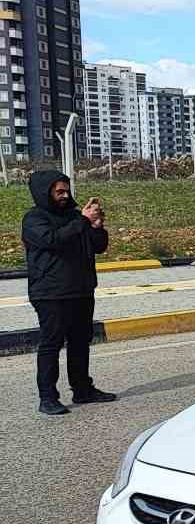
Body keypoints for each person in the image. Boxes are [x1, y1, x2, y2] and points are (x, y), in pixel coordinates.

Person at [22, 169, 115, 415]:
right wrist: (83, 221)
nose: (65, 196)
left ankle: (83, 389)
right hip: (50, 293)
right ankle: (48, 397)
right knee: (51, 344)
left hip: (81, 290)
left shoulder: (76, 217)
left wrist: (96, 226)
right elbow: (53, 240)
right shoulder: (34, 219)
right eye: (59, 191)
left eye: (66, 190)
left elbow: (99, 247)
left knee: (80, 342)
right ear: (45, 193)